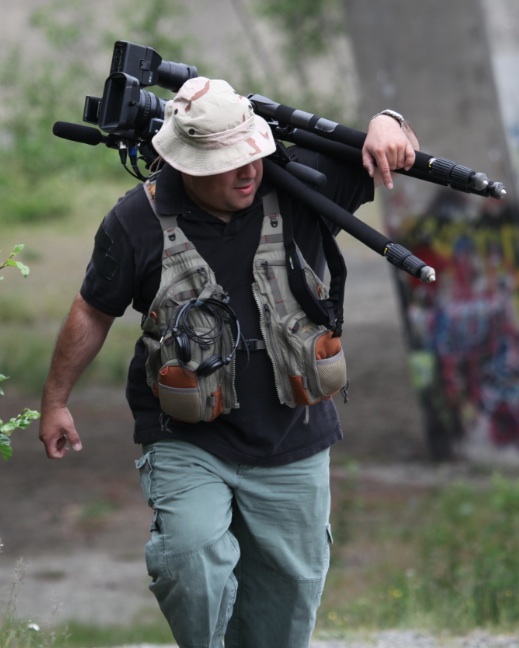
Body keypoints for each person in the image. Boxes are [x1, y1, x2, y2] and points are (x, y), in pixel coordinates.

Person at [39, 76, 418, 647]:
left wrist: (390, 120)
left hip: (292, 433)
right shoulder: (134, 222)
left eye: (252, 154)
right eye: (226, 162)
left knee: (287, 601)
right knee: (190, 561)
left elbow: (392, 146)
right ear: (185, 165)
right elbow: (94, 309)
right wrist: (56, 401)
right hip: (188, 438)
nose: (248, 171)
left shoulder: (303, 185)